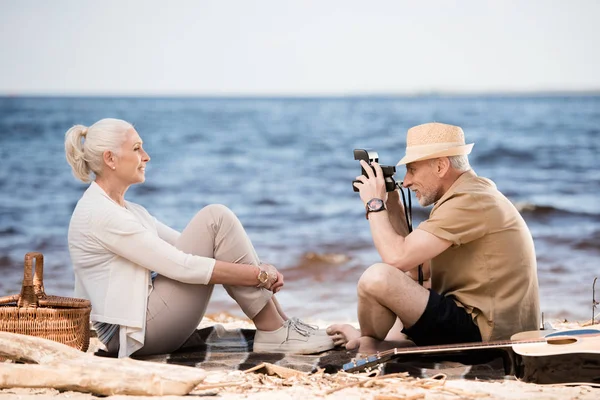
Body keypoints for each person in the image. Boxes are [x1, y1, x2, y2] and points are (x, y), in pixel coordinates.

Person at [64, 118, 333, 358]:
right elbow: (181, 265)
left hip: (141, 321)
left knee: (217, 222)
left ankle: (280, 326)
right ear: (110, 159)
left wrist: (258, 269)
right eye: (136, 149)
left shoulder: (126, 209)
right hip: (133, 335)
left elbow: (194, 244)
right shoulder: (101, 215)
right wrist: (257, 275)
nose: (146, 157)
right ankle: (275, 331)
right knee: (215, 217)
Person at [327, 122, 540, 354]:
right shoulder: (468, 193)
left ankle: (369, 343)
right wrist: (394, 206)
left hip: (490, 336)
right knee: (415, 282)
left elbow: (396, 259)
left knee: (376, 278)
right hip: (492, 327)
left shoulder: (469, 201)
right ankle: (375, 341)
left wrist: (374, 203)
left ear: (440, 166)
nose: (406, 181)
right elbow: (419, 270)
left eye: (412, 170)